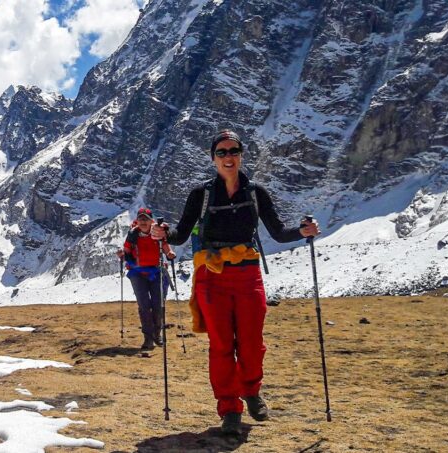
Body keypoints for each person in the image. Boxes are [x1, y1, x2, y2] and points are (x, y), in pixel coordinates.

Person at [150, 130, 320, 435]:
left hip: (248, 274)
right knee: (222, 345)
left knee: (253, 343)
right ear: (213, 158)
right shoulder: (200, 195)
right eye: (222, 152)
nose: (228, 157)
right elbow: (182, 233)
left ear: (241, 155)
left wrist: (302, 232)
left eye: (233, 151)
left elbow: (279, 232)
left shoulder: (256, 193)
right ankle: (229, 408)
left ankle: (251, 391)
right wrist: (162, 234)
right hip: (211, 277)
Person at [116, 207, 176, 352]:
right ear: (137, 221)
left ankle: (157, 334)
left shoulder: (158, 233)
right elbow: (127, 251)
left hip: (156, 271)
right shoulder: (132, 235)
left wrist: (169, 253)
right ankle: (148, 338)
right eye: (141, 219)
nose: (143, 221)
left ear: (151, 221)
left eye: (146, 219)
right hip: (137, 273)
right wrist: (122, 254)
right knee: (144, 305)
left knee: (157, 304)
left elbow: (166, 246)